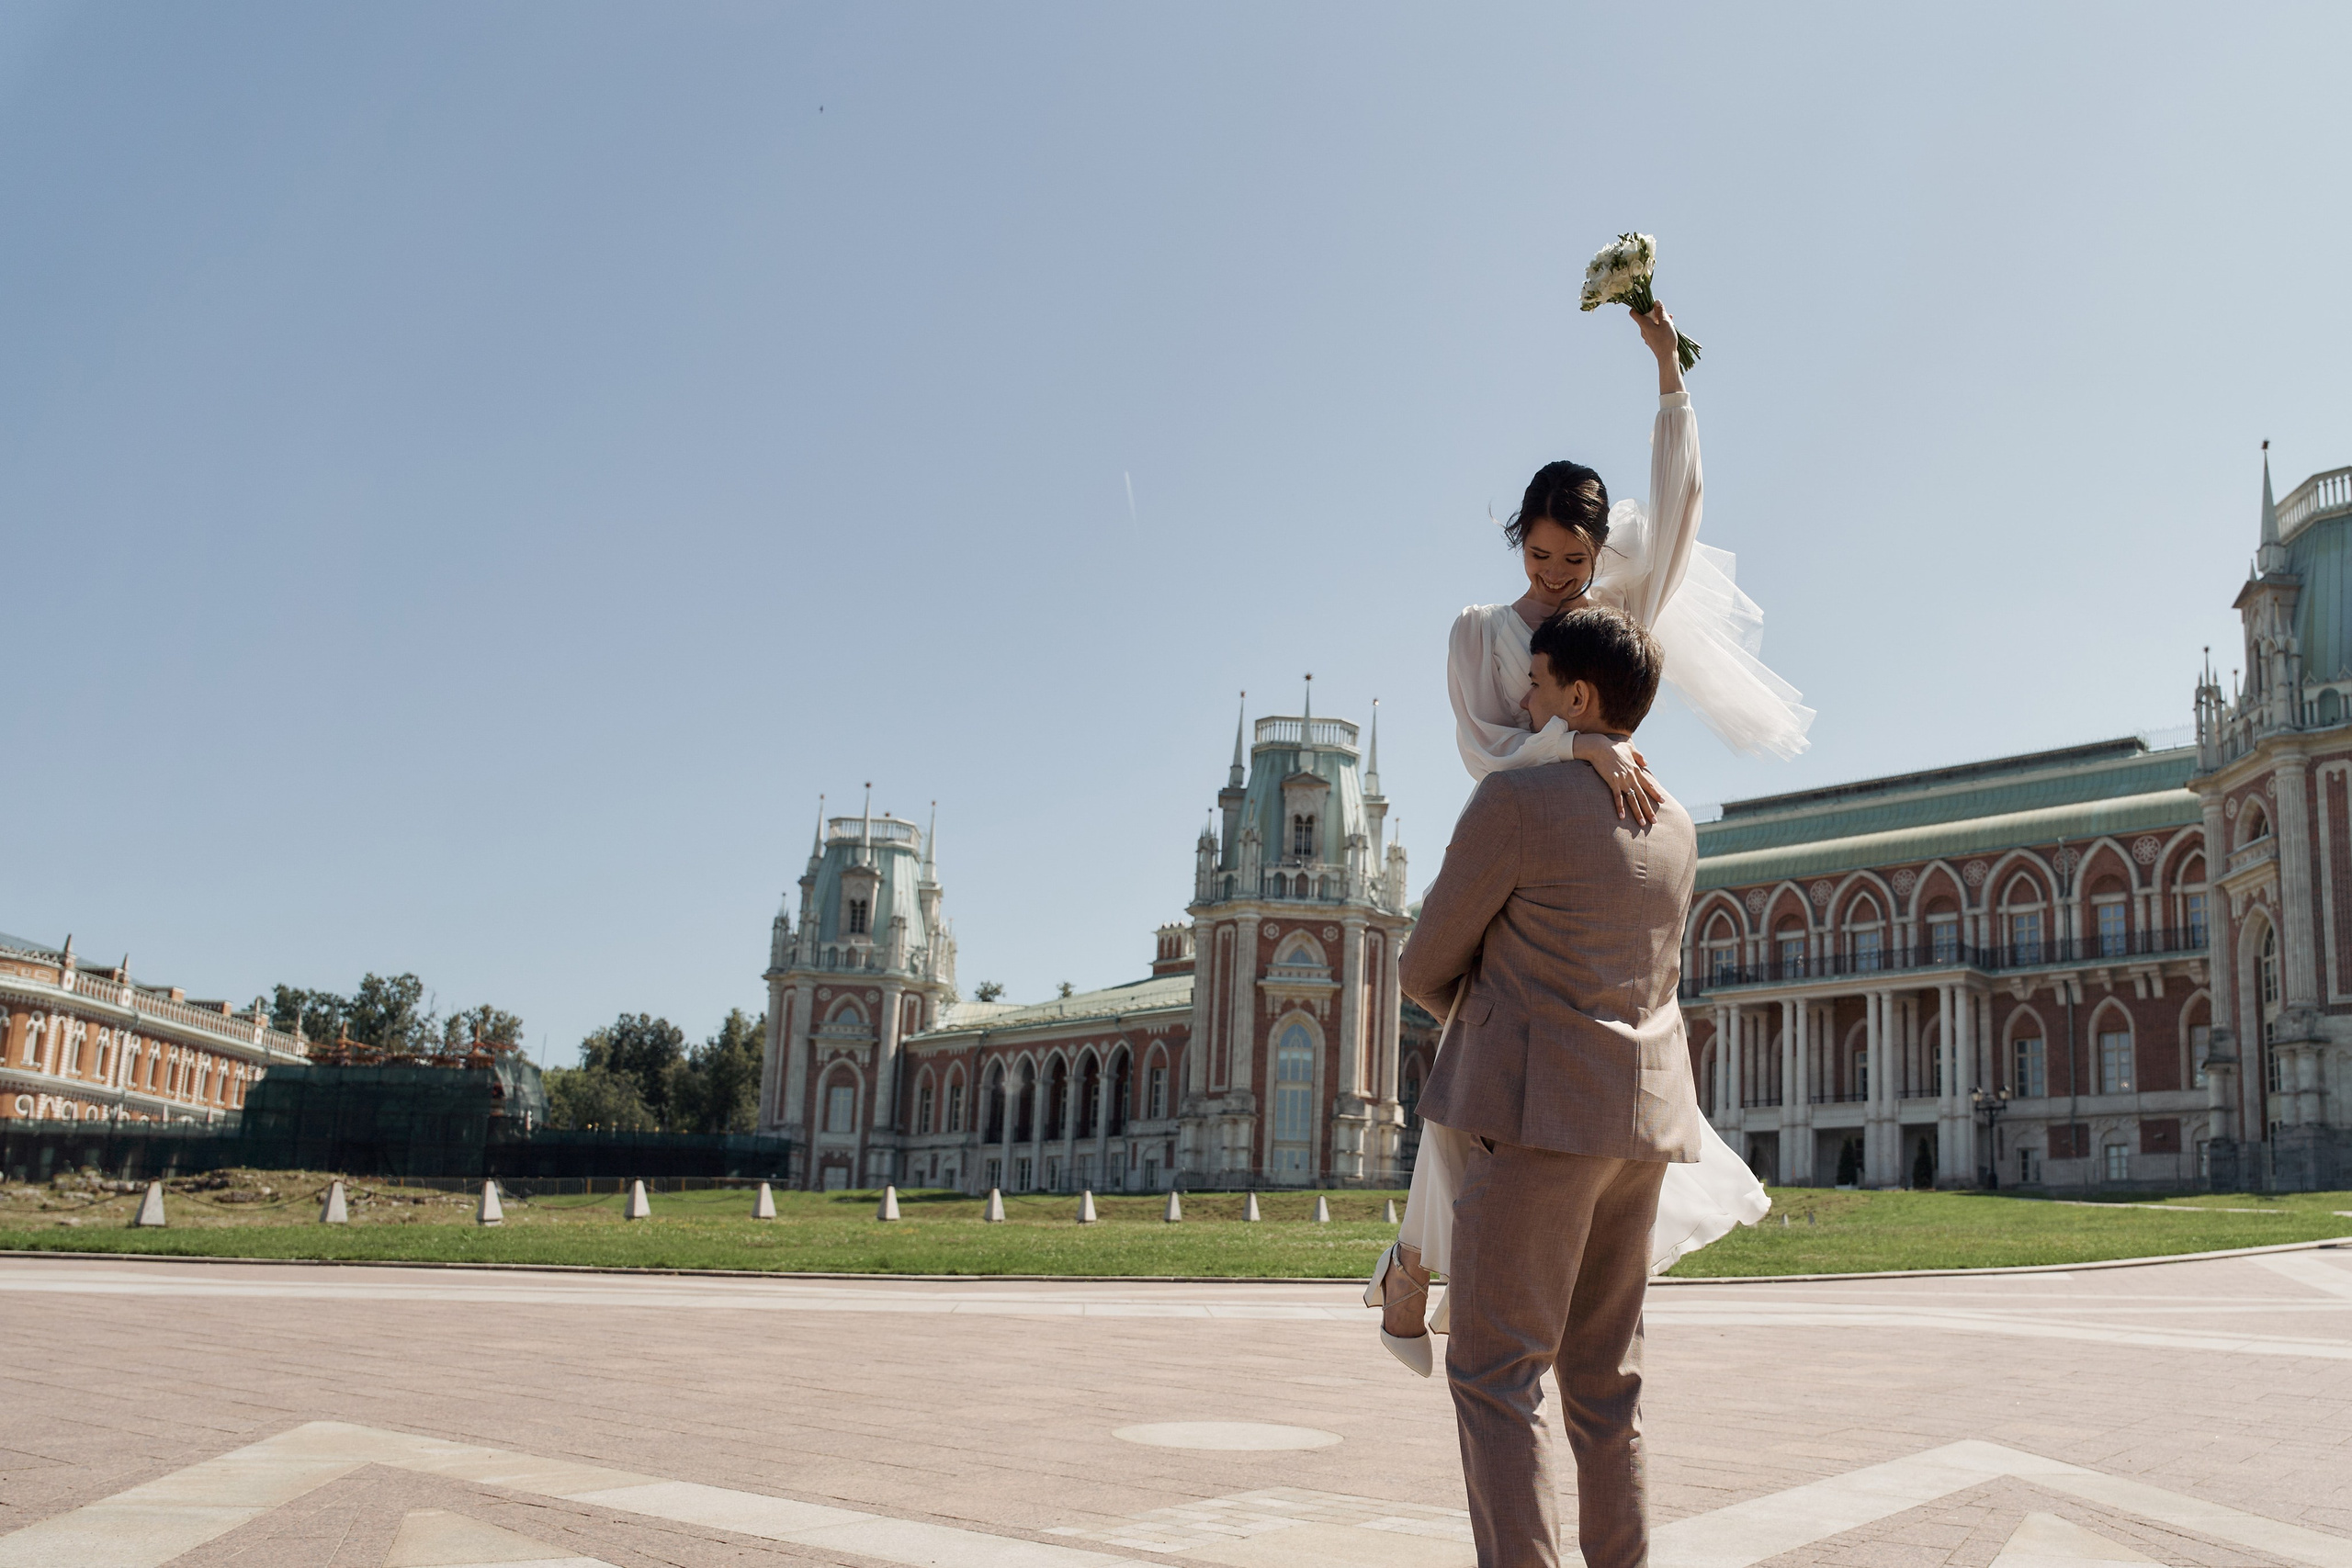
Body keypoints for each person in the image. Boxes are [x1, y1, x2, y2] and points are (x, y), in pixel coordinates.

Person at [1367, 299, 1789, 1371]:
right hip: (1507, 854)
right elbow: (1482, 757)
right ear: (1521, 538)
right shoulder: (1479, 635)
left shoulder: (1614, 618)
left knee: (1507, 1073)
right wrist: (1581, 746)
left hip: (1597, 868)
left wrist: (1666, 375)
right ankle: (1420, 1268)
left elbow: (1684, 501)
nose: (1557, 579)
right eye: (1545, 556)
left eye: (1575, 560)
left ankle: (1420, 1271)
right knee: (1472, 1064)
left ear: (1599, 552)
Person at [1398, 604, 1701, 1568]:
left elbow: (1421, 963)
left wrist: (1487, 1000)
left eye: (1535, 685)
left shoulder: (1514, 805)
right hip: (1639, 1129)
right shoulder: (1678, 827)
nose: (1523, 702)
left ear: (1576, 696)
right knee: (1607, 1385)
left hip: (1531, 1123)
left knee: (1495, 1374)